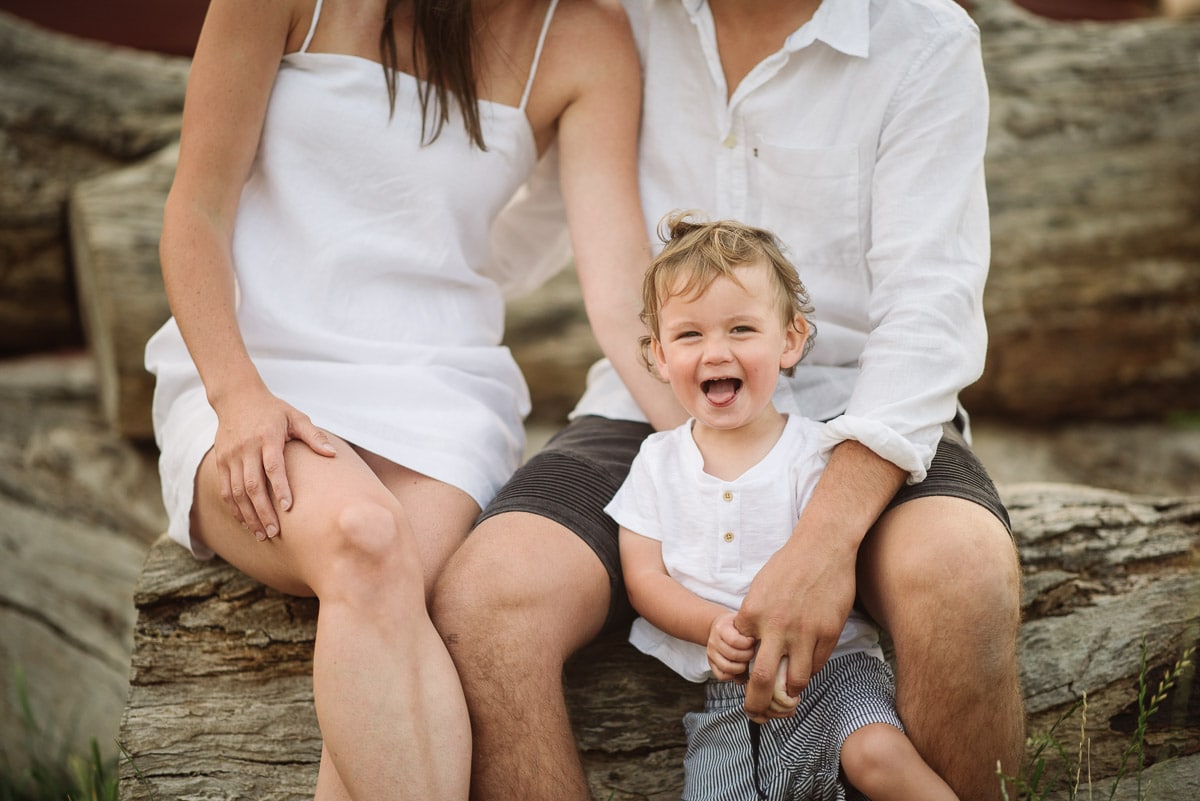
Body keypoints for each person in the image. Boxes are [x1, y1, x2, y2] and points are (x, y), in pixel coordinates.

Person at [432, 1, 1025, 800]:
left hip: (863, 403)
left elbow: (930, 315)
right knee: (485, 598)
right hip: (648, 402)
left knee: (959, 574)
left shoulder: (922, 37)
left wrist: (820, 544)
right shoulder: (622, 23)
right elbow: (504, 227)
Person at [143, 0, 668, 798]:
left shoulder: (584, 38)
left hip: (442, 394)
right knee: (364, 536)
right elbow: (196, 209)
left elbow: (619, 288)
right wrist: (237, 394)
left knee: (393, 590)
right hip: (257, 367)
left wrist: (721, 449)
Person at [609, 214, 959, 801]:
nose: (715, 351)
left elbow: (844, 561)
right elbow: (643, 575)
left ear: (790, 340)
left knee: (877, 756)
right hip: (729, 698)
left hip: (833, 674)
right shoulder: (657, 461)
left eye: (742, 329)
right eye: (690, 335)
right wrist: (710, 627)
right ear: (660, 354)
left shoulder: (814, 454)